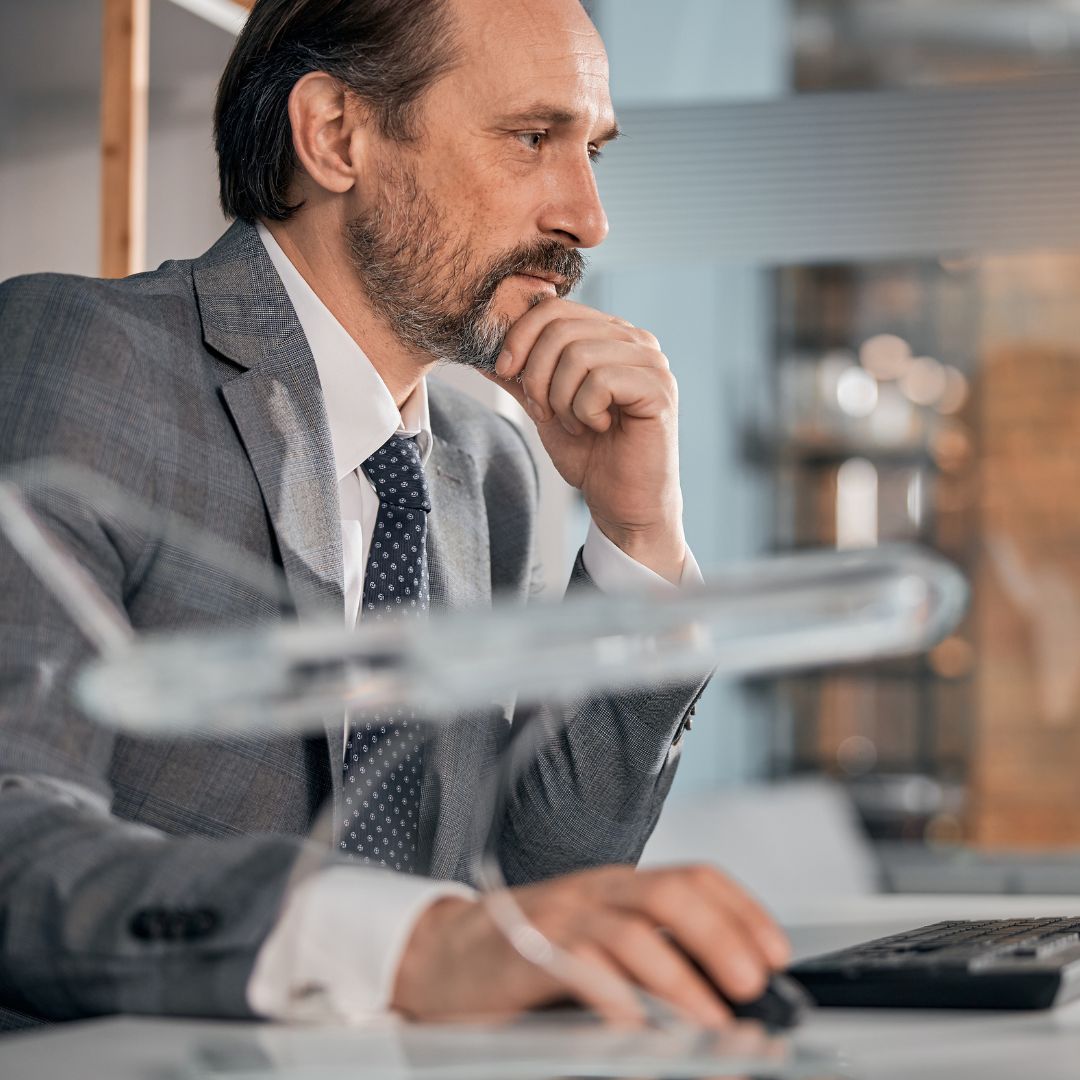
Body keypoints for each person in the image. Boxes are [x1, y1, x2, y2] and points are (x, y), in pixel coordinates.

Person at [0, 0, 789, 1032]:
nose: (587, 218)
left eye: (590, 150)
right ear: (336, 135)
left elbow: (530, 899)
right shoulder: (81, 352)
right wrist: (408, 946)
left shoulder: (489, 467)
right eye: (531, 138)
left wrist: (639, 536)